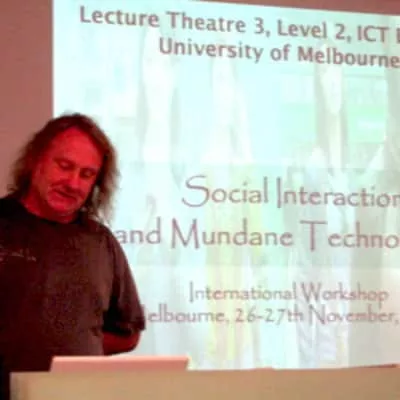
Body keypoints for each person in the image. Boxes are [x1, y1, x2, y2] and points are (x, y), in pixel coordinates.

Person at [0, 113, 145, 374]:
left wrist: (76, 350)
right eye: (65, 166)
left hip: (75, 391)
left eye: (86, 174)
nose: (72, 183)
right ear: (36, 161)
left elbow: (127, 333)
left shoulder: (101, 243)